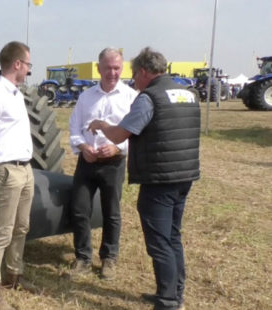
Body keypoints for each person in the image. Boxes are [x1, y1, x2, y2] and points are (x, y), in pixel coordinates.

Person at [88, 47, 200, 310]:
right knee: (173, 237)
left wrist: (103, 125)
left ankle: (168, 302)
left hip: (159, 179)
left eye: (134, 75)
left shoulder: (149, 98)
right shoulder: (188, 94)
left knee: (160, 242)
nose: (133, 82)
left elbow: (120, 135)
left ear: (143, 72)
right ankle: (173, 292)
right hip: (184, 176)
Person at [0, 41, 40, 310]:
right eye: (28, 65)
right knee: (2, 231)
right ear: (17, 64)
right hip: (5, 171)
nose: (28, 70)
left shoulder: (14, 93)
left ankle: (14, 273)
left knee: (21, 226)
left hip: (24, 170)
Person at [67, 47, 137, 280]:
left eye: (117, 68)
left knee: (111, 212)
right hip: (87, 162)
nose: (112, 73)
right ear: (99, 68)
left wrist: (117, 147)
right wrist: (83, 147)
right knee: (79, 210)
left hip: (114, 163)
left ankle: (109, 258)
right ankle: (83, 258)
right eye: (108, 68)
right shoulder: (86, 97)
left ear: (122, 68)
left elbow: (135, 133)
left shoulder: (130, 97)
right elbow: (75, 128)